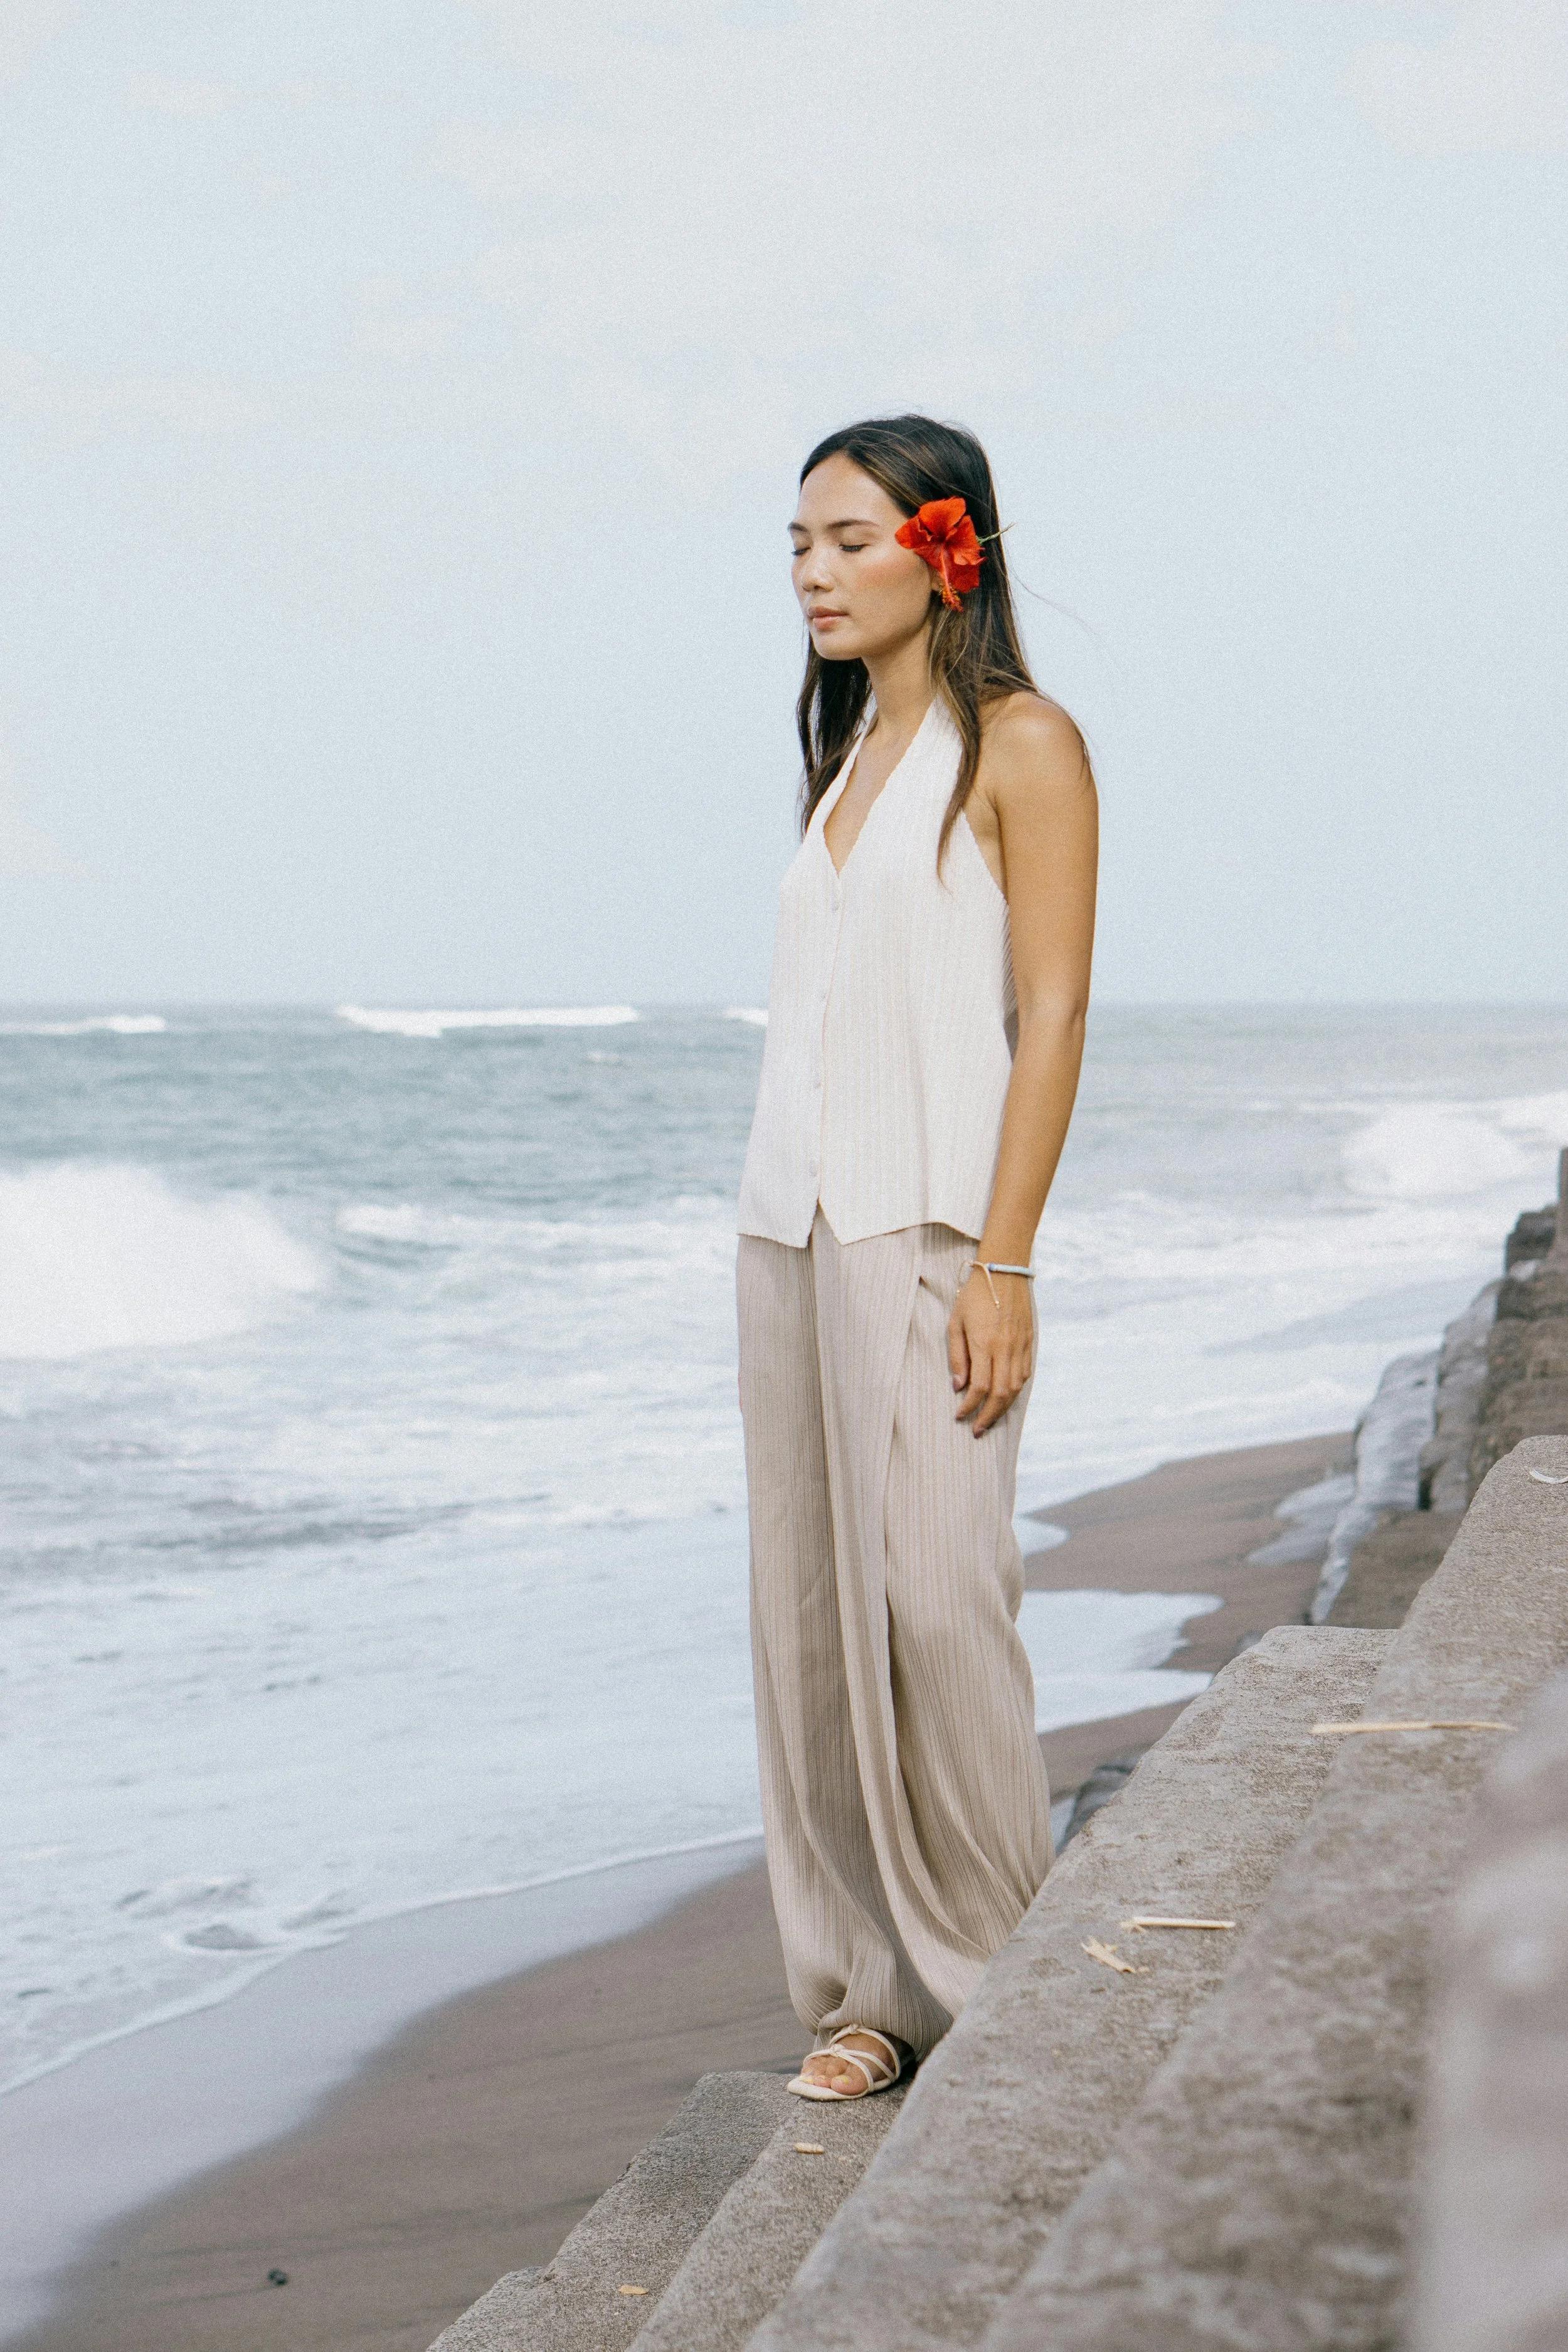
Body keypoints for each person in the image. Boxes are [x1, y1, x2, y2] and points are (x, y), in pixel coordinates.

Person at [736, 414, 1098, 2102]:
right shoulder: (844, 752)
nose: (811, 571)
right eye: (795, 545)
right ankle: (861, 1993)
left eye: (845, 539)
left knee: (941, 1599)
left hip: (938, 1229)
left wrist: (1004, 1264)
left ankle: (997, 1970)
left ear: (941, 548)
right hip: (787, 1228)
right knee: (810, 1613)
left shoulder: (1017, 743)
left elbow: (1049, 1016)